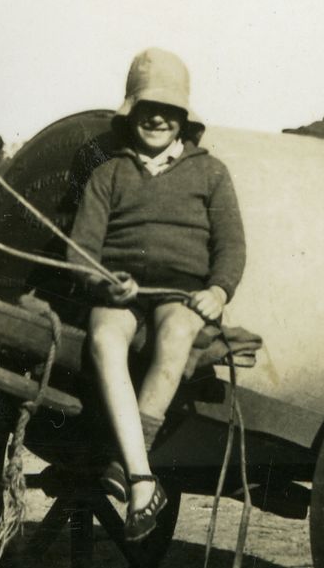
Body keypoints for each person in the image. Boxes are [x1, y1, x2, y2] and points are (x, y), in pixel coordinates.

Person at [72, 47, 246, 539]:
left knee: (175, 339)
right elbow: (81, 249)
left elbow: (231, 246)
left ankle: (129, 465)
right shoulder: (109, 175)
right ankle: (142, 477)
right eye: (146, 109)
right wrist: (104, 280)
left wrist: (218, 290)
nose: (156, 118)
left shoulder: (210, 173)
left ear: (182, 120)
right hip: (123, 292)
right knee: (104, 340)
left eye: (167, 111)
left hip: (182, 293)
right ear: (131, 117)